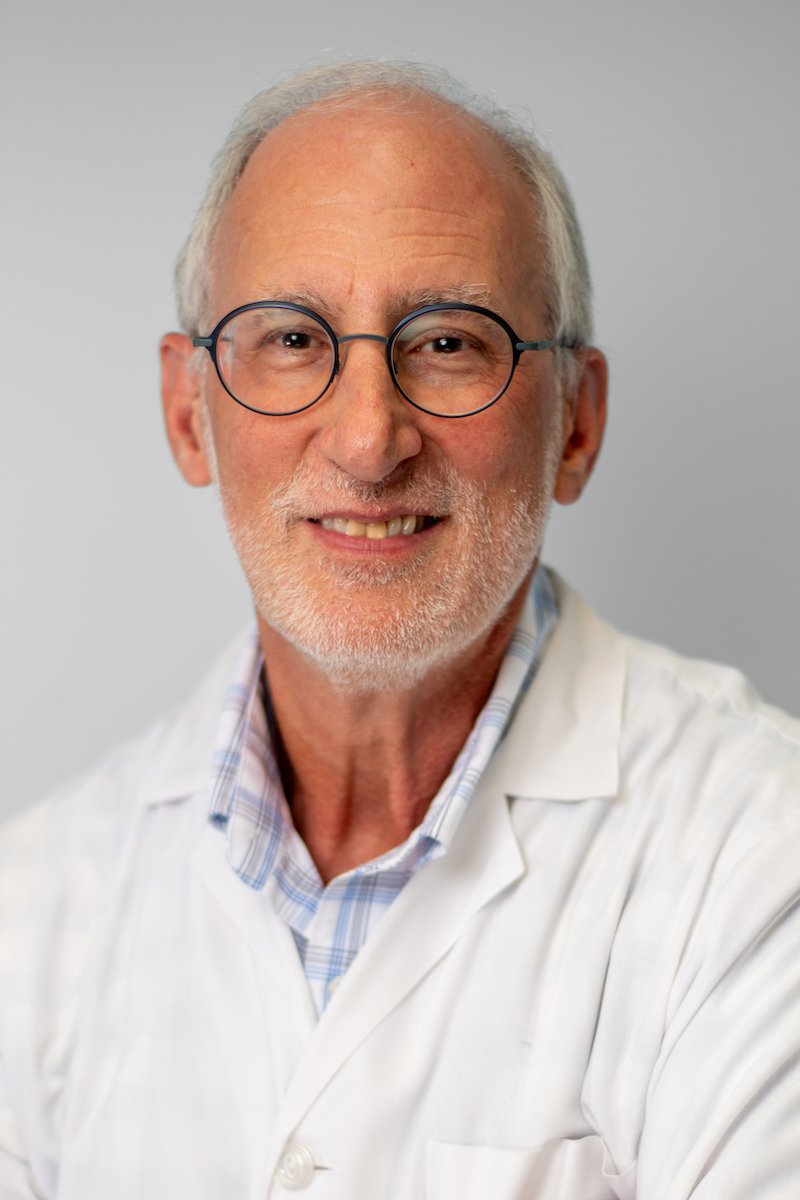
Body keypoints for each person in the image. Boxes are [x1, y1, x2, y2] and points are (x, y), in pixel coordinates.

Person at [0, 60, 798, 1200]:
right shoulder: (30, 913)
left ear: (575, 424)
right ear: (189, 415)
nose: (369, 440)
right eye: (289, 339)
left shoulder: (763, 864)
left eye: (447, 341)